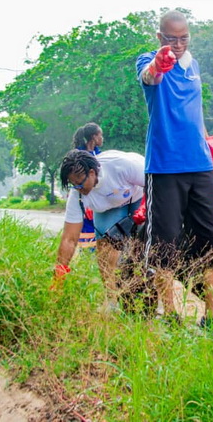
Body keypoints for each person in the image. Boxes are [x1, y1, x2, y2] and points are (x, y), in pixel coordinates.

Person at [136, 10, 213, 343]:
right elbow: (149, 77)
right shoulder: (149, 60)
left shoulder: (193, 65)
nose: (177, 45)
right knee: (165, 245)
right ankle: (170, 316)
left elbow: (195, 113)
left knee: (211, 241)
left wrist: (211, 149)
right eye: (170, 39)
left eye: (183, 39)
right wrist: (159, 63)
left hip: (200, 168)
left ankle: (212, 318)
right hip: (164, 168)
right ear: (159, 38)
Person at [52, 149, 145, 304]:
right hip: (108, 207)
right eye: (74, 185)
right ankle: (111, 300)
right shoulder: (78, 195)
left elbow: (155, 184)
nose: (78, 188)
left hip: (139, 194)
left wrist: (143, 213)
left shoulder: (121, 166)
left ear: (92, 172)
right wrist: (58, 277)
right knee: (104, 248)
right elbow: (69, 239)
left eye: (80, 183)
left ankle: (140, 294)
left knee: (140, 246)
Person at [73, 123, 105, 253]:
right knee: (86, 229)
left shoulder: (99, 154)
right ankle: (86, 256)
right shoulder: (79, 155)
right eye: (100, 135)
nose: (102, 138)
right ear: (94, 137)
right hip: (84, 197)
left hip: (98, 196)